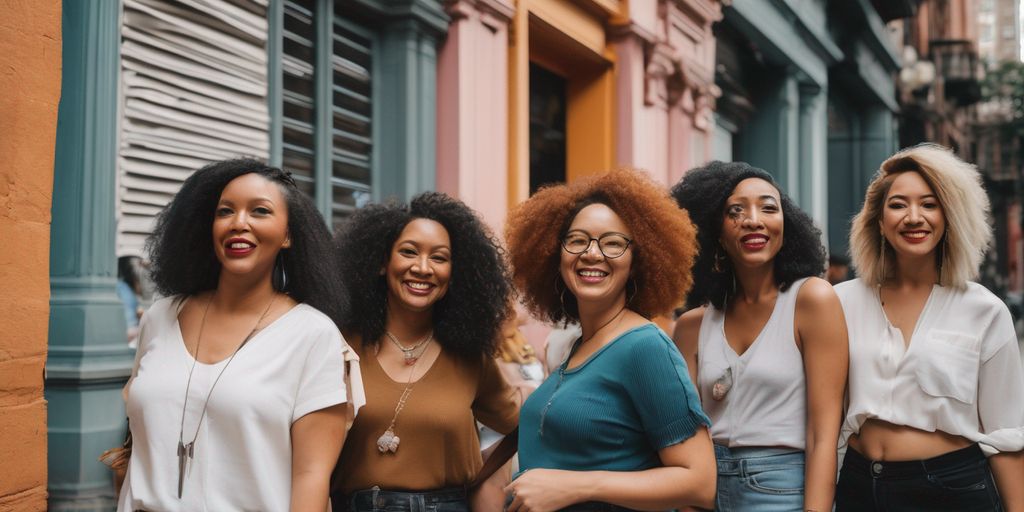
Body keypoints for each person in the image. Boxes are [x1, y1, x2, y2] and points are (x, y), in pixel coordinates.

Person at [118, 159, 361, 512]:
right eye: (225, 212)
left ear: (289, 235)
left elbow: (310, 478)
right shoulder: (159, 317)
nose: (239, 223)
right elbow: (134, 448)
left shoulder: (313, 335)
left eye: (260, 211)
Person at [504, 169, 716, 511]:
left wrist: (576, 486)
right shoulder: (577, 347)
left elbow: (700, 482)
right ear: (555, 255)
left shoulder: (645, 347)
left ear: (636, 263)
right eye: (577, 240)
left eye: (613, 243)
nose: (592, 253)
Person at [834, 144, 1024, 511]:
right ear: (878, 220)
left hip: (951, 490)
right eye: (898, 204)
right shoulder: (840, 302)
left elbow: (1006, 434)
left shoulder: (985, 310)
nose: (913, 217)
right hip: (858, 486)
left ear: (948, 217)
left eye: (929, 204)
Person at [671, 161, 848, 512]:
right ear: (716, 232)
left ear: (786, 225)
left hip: (782, 490)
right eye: (735, 211)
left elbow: (823, 434)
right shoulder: (692, 326)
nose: (753, 219)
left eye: (769, 207)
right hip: (707, 488)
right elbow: (686, 441)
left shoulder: (811, 300)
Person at [330, 192, 519, 512]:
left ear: (454, 273)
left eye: (439, 258)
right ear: (381, 263)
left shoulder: (471, 356)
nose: (422, 268)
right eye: (408, 252)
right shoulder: (340, 346)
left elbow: (520, 426)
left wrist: (479, 476)